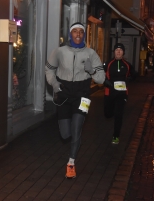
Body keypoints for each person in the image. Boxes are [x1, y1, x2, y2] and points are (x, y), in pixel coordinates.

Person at [45, 22, 105, 179]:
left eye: (81, 32)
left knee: (77, 128)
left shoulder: (91, 53)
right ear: (70, 34)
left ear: (84, 34)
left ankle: (71, 163)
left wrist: (91, 70)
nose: (78, 34)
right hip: (64, 93)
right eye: (75, 32)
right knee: (66, 134)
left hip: (82, 94)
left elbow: (101, 79)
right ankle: (75, 142)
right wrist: (55, 84)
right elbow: (49, 69)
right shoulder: (59, 51)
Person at [103, 43, 137, 144]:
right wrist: (106, 81)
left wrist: (129, 79)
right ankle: (112, 111)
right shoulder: (108, 63)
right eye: (116, 50)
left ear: (123, 52)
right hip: (109, 93)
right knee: (108, 114)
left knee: (119, 115)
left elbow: (135, 74)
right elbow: (99, 74)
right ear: (114, 52)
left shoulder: (127, 64)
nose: (118, 51)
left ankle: (116, 136)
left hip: (122, 94)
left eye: (120, 50)